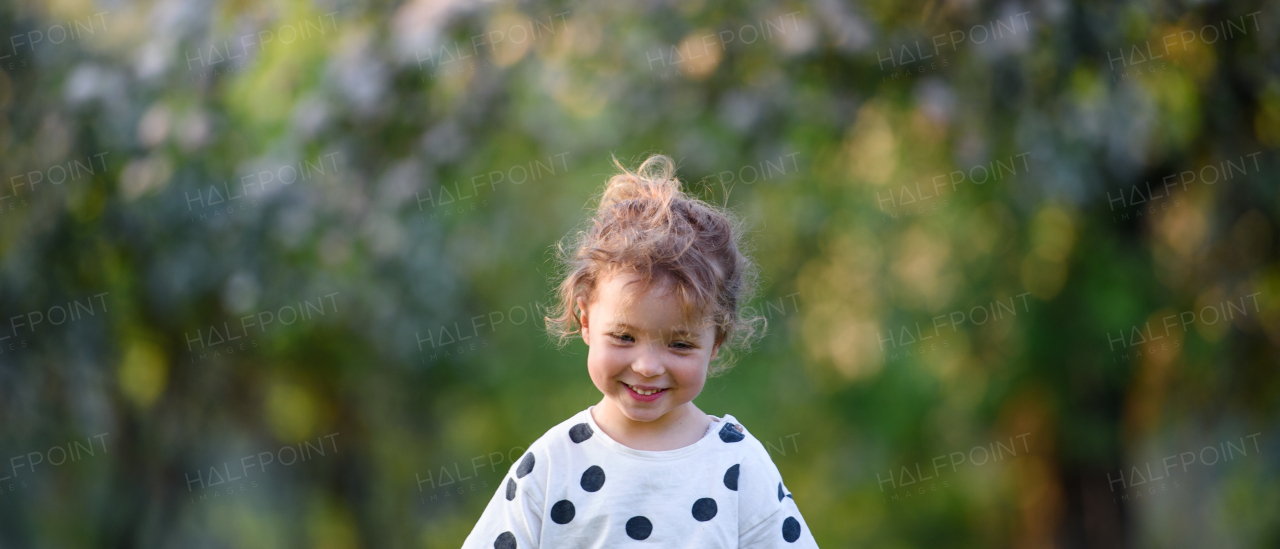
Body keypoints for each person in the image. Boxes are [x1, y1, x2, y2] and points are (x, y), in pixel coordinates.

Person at [461, 154, 818, 548]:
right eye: (624, 337)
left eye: (680, 344)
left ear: (716, 342)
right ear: (585, 320)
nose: (647, 367)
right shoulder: (551, 465)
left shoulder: (738, 466)